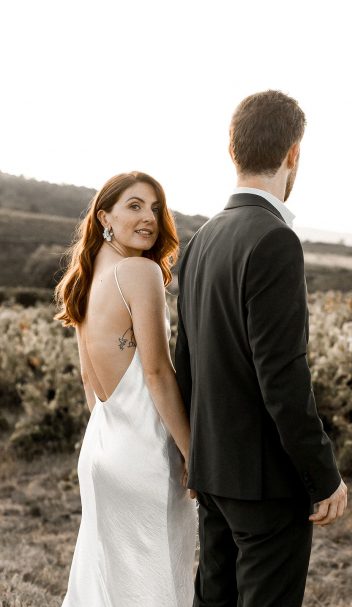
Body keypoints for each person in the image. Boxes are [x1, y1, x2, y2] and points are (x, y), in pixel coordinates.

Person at [175, 90, 348, 607]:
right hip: (265, 483)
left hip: (213, 472)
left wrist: (193, 456)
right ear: (292, 153)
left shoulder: (200, 240)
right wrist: (323, 476)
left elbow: (187, 361)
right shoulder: (274, 240)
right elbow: (283, 376)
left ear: (235, 151)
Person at [54, 171, 197, 607]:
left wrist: (110, 437)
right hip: (145, 457)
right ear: (105, 218)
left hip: (100, 450)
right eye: (134, 206)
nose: (149, 217)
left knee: (104, 584)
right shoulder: (140, 271)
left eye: (155, 208)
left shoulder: (88, 276)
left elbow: (87, 380)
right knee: (152, 587)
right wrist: (193, 452)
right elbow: (156, 372)